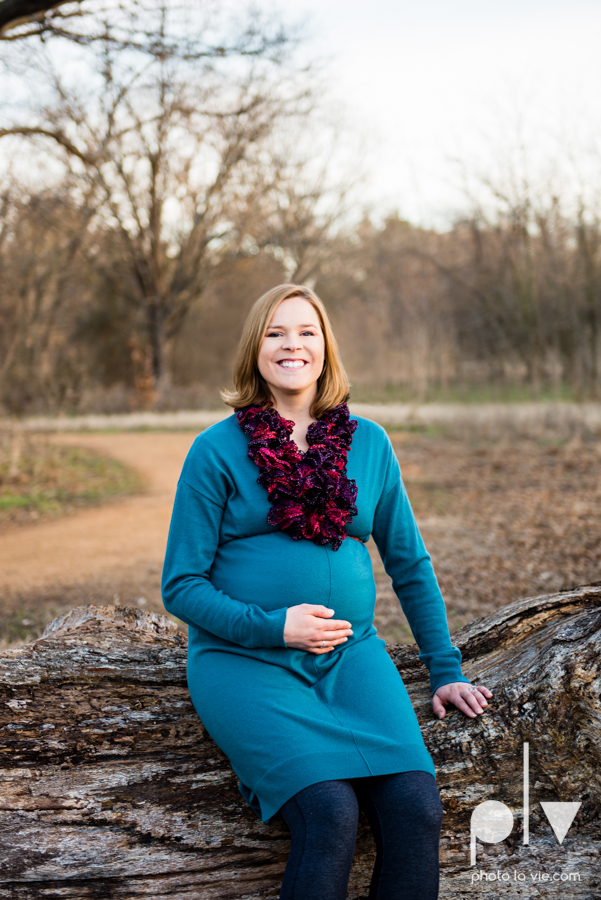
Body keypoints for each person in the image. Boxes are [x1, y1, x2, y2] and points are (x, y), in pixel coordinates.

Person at [161, 283, 492, 900]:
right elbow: (180, 585)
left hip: (352, 657)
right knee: (330, 813)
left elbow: (410, 564)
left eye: (306, 332)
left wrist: (445, 668)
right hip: (245, 662)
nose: (292, 345)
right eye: (275, 333)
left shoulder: (369, 443)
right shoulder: (216, 450)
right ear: (254, 349)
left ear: (325, 347)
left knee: (417, 807)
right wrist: (273, 626)